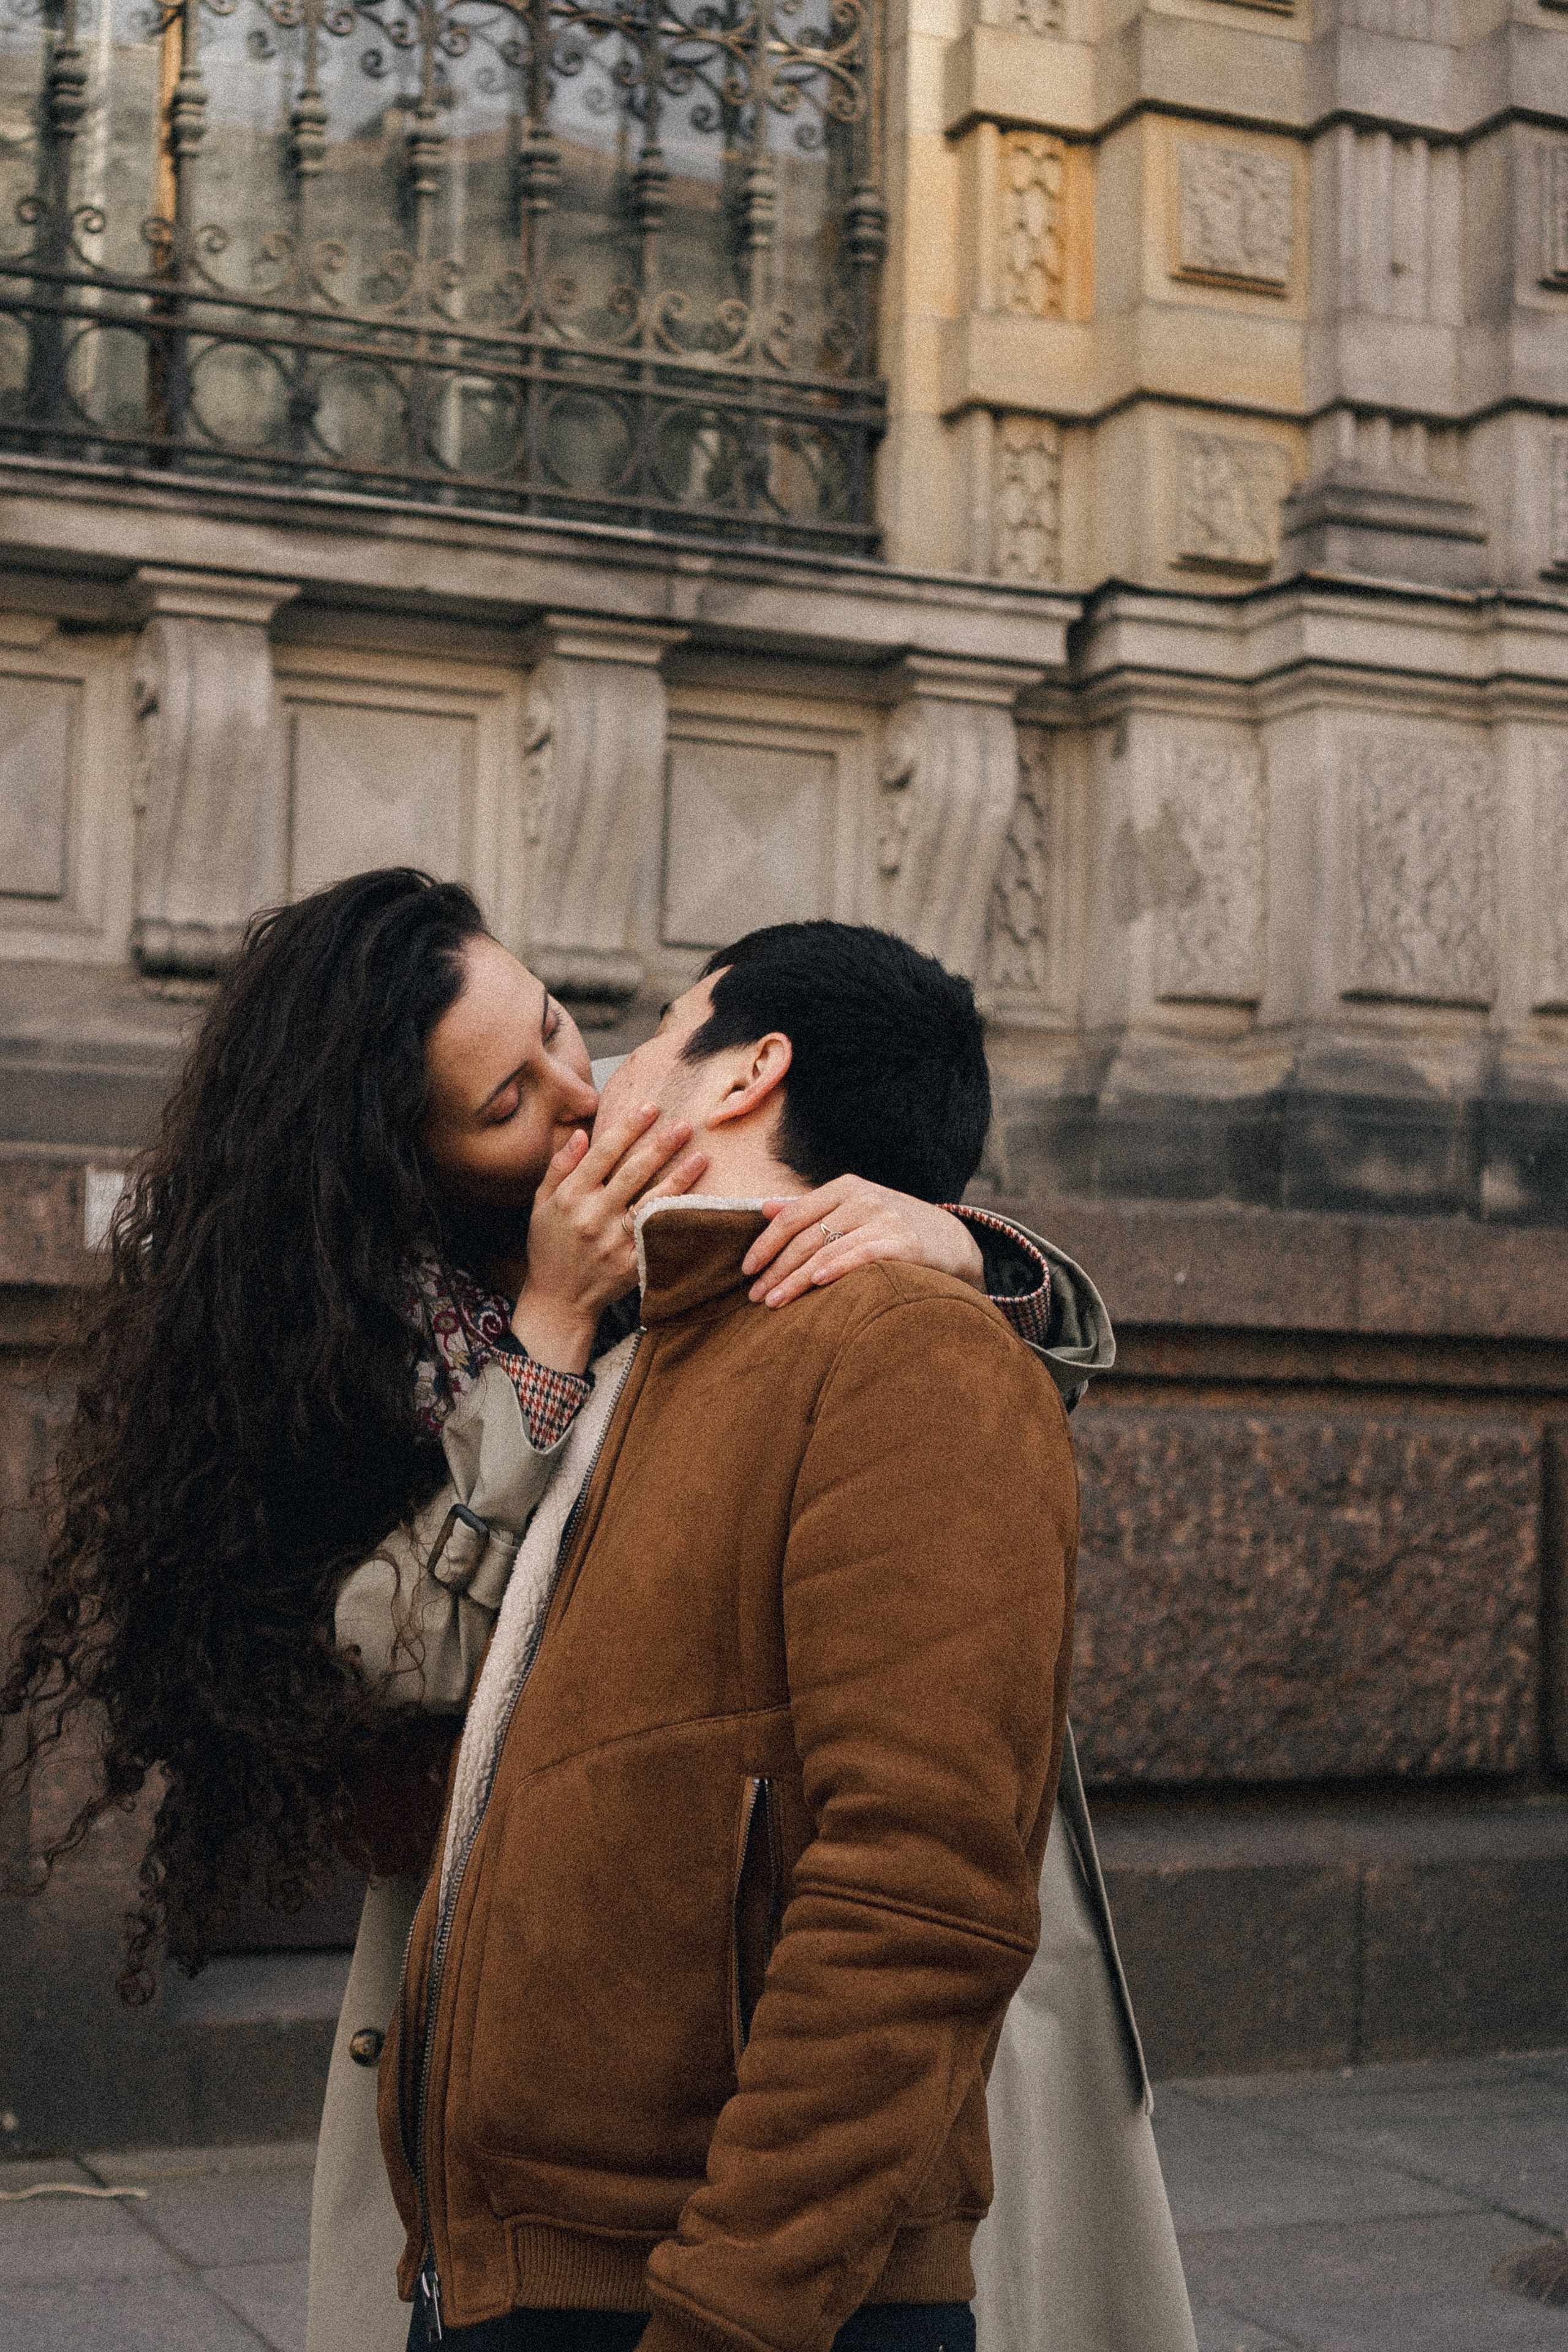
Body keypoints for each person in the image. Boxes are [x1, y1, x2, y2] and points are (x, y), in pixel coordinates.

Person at [0, 873, 1186, 2350]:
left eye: (567, 1023)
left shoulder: (677, 1161)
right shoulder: (345, 1337)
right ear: (409, 1155)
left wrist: (971, 1248)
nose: (582, 1097)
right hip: (534, 2004)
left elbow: (907, 1330)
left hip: (814, 2016)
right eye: (511, 1099)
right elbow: (381, 1657)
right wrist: (553, 1330)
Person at [376, 921, 1193, 2352]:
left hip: (711, 2286)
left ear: (751, 1070)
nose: (596, 1081)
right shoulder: (635, 1332)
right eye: (513, 1092)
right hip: (511, 2264)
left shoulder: (900, 1344)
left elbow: (915, 1892)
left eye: (630, 1028)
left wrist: (729, 2314)